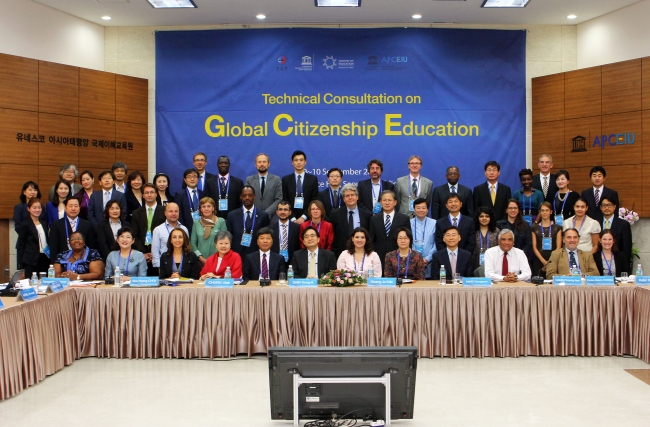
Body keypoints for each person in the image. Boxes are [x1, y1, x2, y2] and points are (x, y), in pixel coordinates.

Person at [369, 190, 411, 270]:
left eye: (389, 200)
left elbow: (408, 239)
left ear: (395, 202)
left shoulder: (404, 218)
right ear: (380, 202)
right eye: (384, 200)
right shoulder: (374, 219)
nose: (387, 203)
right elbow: (371, 240)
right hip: (379, 257)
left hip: (398, 257)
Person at [329, 183, 373, 257]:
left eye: (352, 195)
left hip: (362, 253)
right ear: (343, 199)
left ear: (357, 197)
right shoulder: (335, 214)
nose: (350, 198)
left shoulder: (367, 215)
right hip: (341, 253)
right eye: (347, 196)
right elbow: (333, 234)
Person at [226, 185, 271, 258]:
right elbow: (229, 237)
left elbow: (266, 236)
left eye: (250, 195)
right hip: (236, 255)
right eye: (244, 195)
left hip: (256, 255)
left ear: (254, 196)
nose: (247, 198)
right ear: (241, 197)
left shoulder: (263, 215)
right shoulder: (232, 215)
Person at [131, 184, 166, 276]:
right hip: (142, 254)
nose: (149, 195)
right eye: (146, 193)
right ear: (143, 195)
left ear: (156, 194)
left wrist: (154, 253)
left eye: (152, 192)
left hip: (160, 254)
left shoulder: (164, 211)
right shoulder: (136, 213)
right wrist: (143, 253)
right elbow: (135, 235)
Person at [49, 197, 97, 263]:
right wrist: (55, 264)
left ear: (79, 208)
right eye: (70, 206)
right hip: (63, 262)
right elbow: (53, 247)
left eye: (76, 206)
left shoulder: (87, 224)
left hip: (83, 262)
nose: (73, 208)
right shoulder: (57, 224)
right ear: (65, 208)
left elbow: (91, 246)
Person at [14, 181, 46, 269]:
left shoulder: (42, 207)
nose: (33, 192)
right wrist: (32, 234)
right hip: (27, 245)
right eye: (30, 190)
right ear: (24, 192)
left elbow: (44, 224)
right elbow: (17, 226)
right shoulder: (19, 207)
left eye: (35, 190)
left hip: (42, 248)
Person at [281, 150, 319, 224]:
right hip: (290, 218)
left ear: (305, 162)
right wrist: (292, 218)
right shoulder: (286, 179)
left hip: (307, 217)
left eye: (301, 160)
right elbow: (285, 200)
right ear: (292, 163)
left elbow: (314, 200)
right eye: (296, 160)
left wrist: (303, 217)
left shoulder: (312, 179)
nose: (299, 162)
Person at [17, 199, 50, 278]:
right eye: (34, 208)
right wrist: (21, 266)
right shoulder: (24, 224)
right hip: (30, 260)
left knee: (44, 282)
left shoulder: (44, 223)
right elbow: (21, 244)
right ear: (28, 209)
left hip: (44, 258)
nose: (37, 210)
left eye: (39, 207)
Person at [204, 155, 244, 219]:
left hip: (233, 218)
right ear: (217, 165)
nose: (223, 165)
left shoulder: (238, 182)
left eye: (226, 163)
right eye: (221, 163)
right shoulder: (209, 182)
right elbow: (207, 201)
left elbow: (241, 202)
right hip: (214, 218)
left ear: (229, 165)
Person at [191, 197, 227, 265]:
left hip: (218, 260)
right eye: (203, 206)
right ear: (201, 209)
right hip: (199, 261)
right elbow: (193, 243)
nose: (206, 209)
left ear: (213, 208)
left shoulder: (221, 221)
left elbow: (225, 242)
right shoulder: (196, 223)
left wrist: (217, 258)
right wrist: (201, 258)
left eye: (209, 206)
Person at [151, 202, 189, 269]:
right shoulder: (158, 230)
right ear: (165, 213)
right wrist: (159, 268)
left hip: (182, 266)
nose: (173, 214)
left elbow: (187, 248)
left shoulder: (184, 229)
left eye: (176, 211)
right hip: (164, 266)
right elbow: (155, 251)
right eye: (171, 211)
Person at [245, 153, 282, 219]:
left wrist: (266, 213)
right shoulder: (249, 180)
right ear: (255, 164)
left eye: (264, 162)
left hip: (271, 218)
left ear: (269, 164)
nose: (262, 164)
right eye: (259, 162)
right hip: (253, 217)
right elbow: (247, 198)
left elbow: (279, 199)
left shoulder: (276, 180)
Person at [531, 202, 563, 276]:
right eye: (542, 210)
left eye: (547, 210)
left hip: (554, 259)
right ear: (540, 212)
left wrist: (551, 261)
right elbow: (534, 247)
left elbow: (558, 247)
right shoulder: (534, 228)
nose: (544, 212)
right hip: (539, 260)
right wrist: (543, 261)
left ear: (551, 212)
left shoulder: (557, 228)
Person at [599, 195, 632, 265]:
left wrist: (625, 266)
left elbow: (626, 248)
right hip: (599, 262)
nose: (607, 208)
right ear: (600, 207)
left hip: (618, 263)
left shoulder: (624, 224)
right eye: (604, 205)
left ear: (614, 207)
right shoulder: (595, 223)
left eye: (609, 205)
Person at [409, 197, 436, 278]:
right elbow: (408, 243)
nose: (421, 210)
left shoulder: (434, 223)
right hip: (413, 261)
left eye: (424, 208)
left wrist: (427, 258)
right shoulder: (408, 223)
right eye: (418, 208)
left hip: (430, 261)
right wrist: (416, 258)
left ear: (427, 210)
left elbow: (436, 243)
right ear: (414, 209)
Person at [174, 167, 204, 238]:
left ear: (198, 179)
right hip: (186, 229)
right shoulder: (180, 195)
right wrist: (182, 229)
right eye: (189, 177)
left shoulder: (203, 194)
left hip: (202, 228)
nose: (192, 179)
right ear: (185, 180)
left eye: (195, 176)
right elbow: (179, 214)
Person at [472, 206, 500, 271]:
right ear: (477, 218)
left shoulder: (496, 231)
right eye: (481, 216)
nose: (484, 218)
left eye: (487, 216)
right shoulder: (473, 230)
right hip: (475, 262)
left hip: (493, 263)